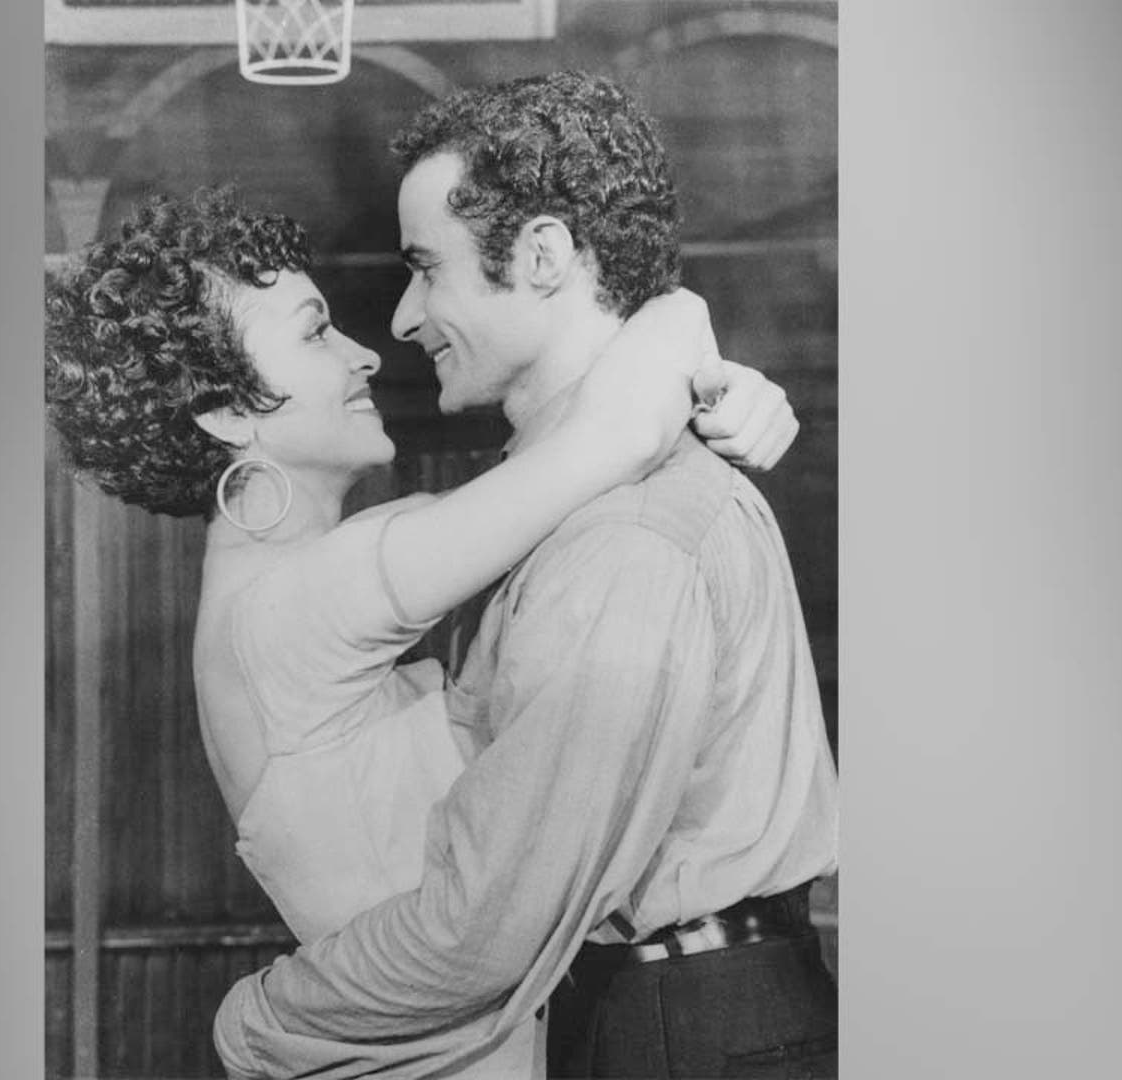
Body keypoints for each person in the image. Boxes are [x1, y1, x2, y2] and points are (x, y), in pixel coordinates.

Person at [44, 187, 800, 1078]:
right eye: (316, 331)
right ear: (224, 414)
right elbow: (612, 435)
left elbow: (574, 469)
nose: (366, 353)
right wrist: (684, 315)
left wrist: (726, 391)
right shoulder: (300, 605)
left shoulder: (291, 587)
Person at [213, 71, 840, 1079]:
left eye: (429, 269)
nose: (408, 317)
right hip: (670, 1017)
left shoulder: (620, 540)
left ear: (544, 256)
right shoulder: (594, 506)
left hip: (683, 1032)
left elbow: (488, 922)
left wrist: (254, 1020)